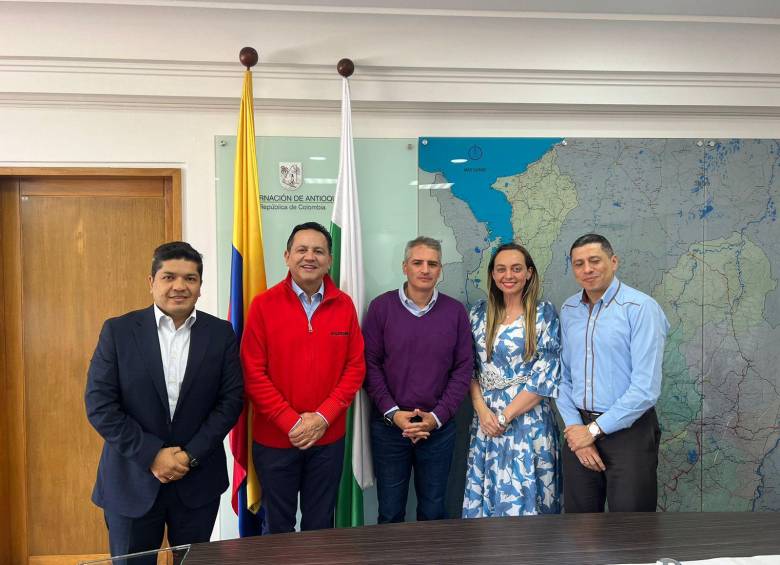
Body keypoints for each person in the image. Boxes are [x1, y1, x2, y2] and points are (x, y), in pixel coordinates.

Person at [85, 241, 244, 559]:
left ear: (200, 286)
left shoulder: (221, 334)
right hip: (131, 480)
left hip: (197, 480)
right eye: (169, 277)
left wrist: (190, 456)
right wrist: (152, 455)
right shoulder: (118, 331)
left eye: (190, 278)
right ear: (151, 282)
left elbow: (230, 401)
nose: (179, 287)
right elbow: (100, 404)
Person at [241, 221, 365, 534]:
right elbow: (253, 372)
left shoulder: (345, 306)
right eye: (302, 249)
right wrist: (292, 423)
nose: (310, 257)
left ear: (329, 260)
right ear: (287, 256)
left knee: (320, 526)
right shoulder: (263, 305)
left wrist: (323, 417)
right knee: (277, 528)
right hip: (275, 441)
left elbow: (355, 368)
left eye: (318, 251)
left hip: (328, 440)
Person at [557, 233, 669, 512]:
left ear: (614, 261)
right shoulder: (569, 309)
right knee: (580, 530)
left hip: (629, 433)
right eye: (579, 263)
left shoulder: (641, 309)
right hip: (578, 430)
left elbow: (645, 389)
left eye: (595, 261)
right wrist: (576, 431)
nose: (587, 269)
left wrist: (593, 431)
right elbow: (562, 377)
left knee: (632, 530)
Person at [363, 236, 472, 523]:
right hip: (390, 429)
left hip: (438, 429)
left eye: (432, 264)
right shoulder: (381, 308)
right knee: (389, 510)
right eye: (418, 262)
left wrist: (436, 417)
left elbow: (463, 369)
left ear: (440, 270)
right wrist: (393, 413)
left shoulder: (455, 312)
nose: (425, 269)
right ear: (405, 267)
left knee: (434, 510)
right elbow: (369, 365)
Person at [462, 243, 562, 517]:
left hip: (528, 423)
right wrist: (483, 412)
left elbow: (545, 377)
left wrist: (504, 418)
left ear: (529, 273)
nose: (509, 275)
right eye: (501, 269)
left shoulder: (544, 314)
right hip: (486, 422)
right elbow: (469, 368)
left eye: (517, 269)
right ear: (493, 275)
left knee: (527, 502)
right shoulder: (478, 314)